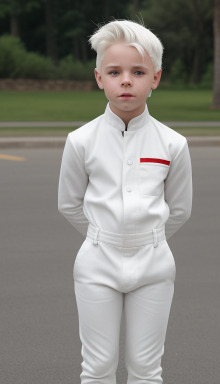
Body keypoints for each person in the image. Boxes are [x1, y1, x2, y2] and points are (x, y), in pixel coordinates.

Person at [58, 19, 192, 384]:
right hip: (96, 264)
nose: (127, 80)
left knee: (147, 370)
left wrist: (145, 235)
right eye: (115, 72)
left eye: (138, 71)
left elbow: (179, 209)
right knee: (97, 367)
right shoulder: (81, 140)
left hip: (153, 266)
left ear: (156, 78)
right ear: (99, 77)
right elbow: (69, 203)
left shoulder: (173, 143)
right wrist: (104, 234)